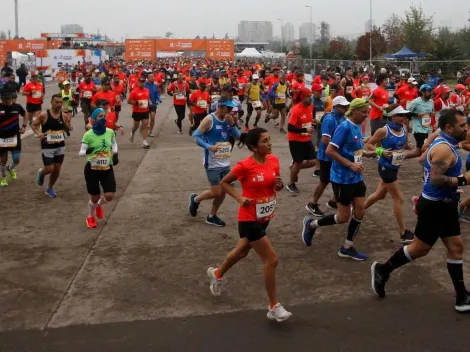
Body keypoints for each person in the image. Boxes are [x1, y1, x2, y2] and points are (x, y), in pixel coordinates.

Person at [371, 109, 470, 312]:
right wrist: (464, 179)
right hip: (435, 206)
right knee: (419, 249)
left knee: (456, 247)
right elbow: (436, 179)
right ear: (449, 127)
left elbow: (421, 159)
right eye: (462, 126)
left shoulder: (443, 140)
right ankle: (383, 269)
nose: (466, 129)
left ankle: (462, 297)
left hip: (445, 204)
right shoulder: (444, 149)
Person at [206, 128, 292, 322]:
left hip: (265, 216)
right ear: (254, 147)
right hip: (248, 218)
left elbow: (274, 184)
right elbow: (225, 182)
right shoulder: (245, 165)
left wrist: (277, 185)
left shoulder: (274, 161)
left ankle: (217, 273)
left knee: (242, 251)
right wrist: (238, 197)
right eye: (264, 141)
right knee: (271, 259)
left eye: (270, 140)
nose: (269, 143)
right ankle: (274, 306)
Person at [301, 98, 376, 260]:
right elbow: (330, 150)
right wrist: (350, 165)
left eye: (367, 111)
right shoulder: (344, 127)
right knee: (343, 218)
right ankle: (312, 224)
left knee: (360, 211)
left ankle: (347, 247)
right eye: (363, 112)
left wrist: (368, 153)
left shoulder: (357, 127)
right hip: (342, 178)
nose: (366, 115)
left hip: (356, 177)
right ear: (354, 111)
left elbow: (353, 149)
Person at [364, 106, 421, 243]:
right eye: (400, 115)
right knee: (399, 199)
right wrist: (381, 151)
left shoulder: (403, 129)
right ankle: (403, 233)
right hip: (385, 168)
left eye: (405, 115)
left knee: (379, 195)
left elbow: (404, 144)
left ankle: (358, 210)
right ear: (392, 117)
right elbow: (369, 145)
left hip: (395, 166)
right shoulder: (383, 130)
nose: (404, 118)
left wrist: (408, 147)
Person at [188, 97, 241, 227]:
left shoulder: (229, 119)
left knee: (223, 191)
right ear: (220, 107)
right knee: (217, 191)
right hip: (211, 162)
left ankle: (212, 216)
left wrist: (232, 124)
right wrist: (208, 147)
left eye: (231, 108)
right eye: (228, 108)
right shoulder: (209, 119)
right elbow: (196, 136)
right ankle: (195, 199)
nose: (230, 111)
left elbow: (238, 136)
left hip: (225, 160)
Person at [305, 96, 349, 216]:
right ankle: (312, 203)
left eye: (346, 106)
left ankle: (334, 201)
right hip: (327, 156)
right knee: (324, 181)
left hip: (335, 155)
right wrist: (337, 150)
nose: (346, 108)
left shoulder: (342, 118)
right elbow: (325, 139)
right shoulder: (330, 119)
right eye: (343, 106)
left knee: (338, 179)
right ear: (336, 107)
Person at [79, 108, 119, 228]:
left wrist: (115, 153)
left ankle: (99, 205)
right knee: (95, 197)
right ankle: (90, 216)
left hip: (107, 168)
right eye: (100, 116)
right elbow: (81, 152)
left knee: (109, 196)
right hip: (92, 169)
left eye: (104, 116)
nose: (103, 118)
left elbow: (114, 143)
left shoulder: (109, 132)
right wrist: (88, 151)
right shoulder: (88, 135)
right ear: (94, 119)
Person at [31, 94, 72, 198]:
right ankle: (42, 173)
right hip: (47, 146)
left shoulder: (63, 115)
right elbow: (34, 125)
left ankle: (49, 188)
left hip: (60, 145)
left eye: (60, 102)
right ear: (51, 102)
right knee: (49, 169)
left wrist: (69, 127)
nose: (59, 104)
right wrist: (39, 133)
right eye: (56, 102)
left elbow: (67, 126)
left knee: (57, 169)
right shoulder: (44, 114)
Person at [286, 88, 317, 193]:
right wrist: (305, 129)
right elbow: (290, 128)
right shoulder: (296, 109)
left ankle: (294, 168)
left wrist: (312, 122)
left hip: (306, 137)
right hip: (295, 140)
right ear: (303, 97)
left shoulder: (311, 106)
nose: (310, 98)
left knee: (313, 161)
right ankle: (291, 184)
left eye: (311, 96)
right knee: (298, 162)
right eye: (308, 96)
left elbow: (306, 120)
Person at [0, 90, 26, 187]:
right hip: (2, 138)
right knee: (3, 159)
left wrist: (23, 126)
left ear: (12, 98)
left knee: (17, 159)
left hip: (15, 137)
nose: (7, 101)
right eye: (5, 99)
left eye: (9, 99)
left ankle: (10, 168)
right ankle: (3, 178)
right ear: (2, 99)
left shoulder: (17, 107)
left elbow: (25, 114)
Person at [128, 76, 151, 149]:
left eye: (143, 82)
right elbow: (129, 101)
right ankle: (133, 132)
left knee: (145, 125)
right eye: (141, 82)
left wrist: (149, 102)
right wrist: (136, 103)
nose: (142, 83)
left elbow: (147, 99)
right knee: (136, 126)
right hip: (137, 111)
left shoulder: (147, 90)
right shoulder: (134, 91)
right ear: (138, 82)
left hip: (145, 110)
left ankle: (144, 142)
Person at [144, 73, 161, 137]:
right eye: (151, 77)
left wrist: (159, 98)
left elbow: (157, 93)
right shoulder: (145, 85)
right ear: (147, 78)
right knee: (145, 120)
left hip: (153, 103)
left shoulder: (155, 85)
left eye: (153, 76)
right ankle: (144, 127)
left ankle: (150, 131)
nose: (152, 77)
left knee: (153, 117)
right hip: (145, 104)